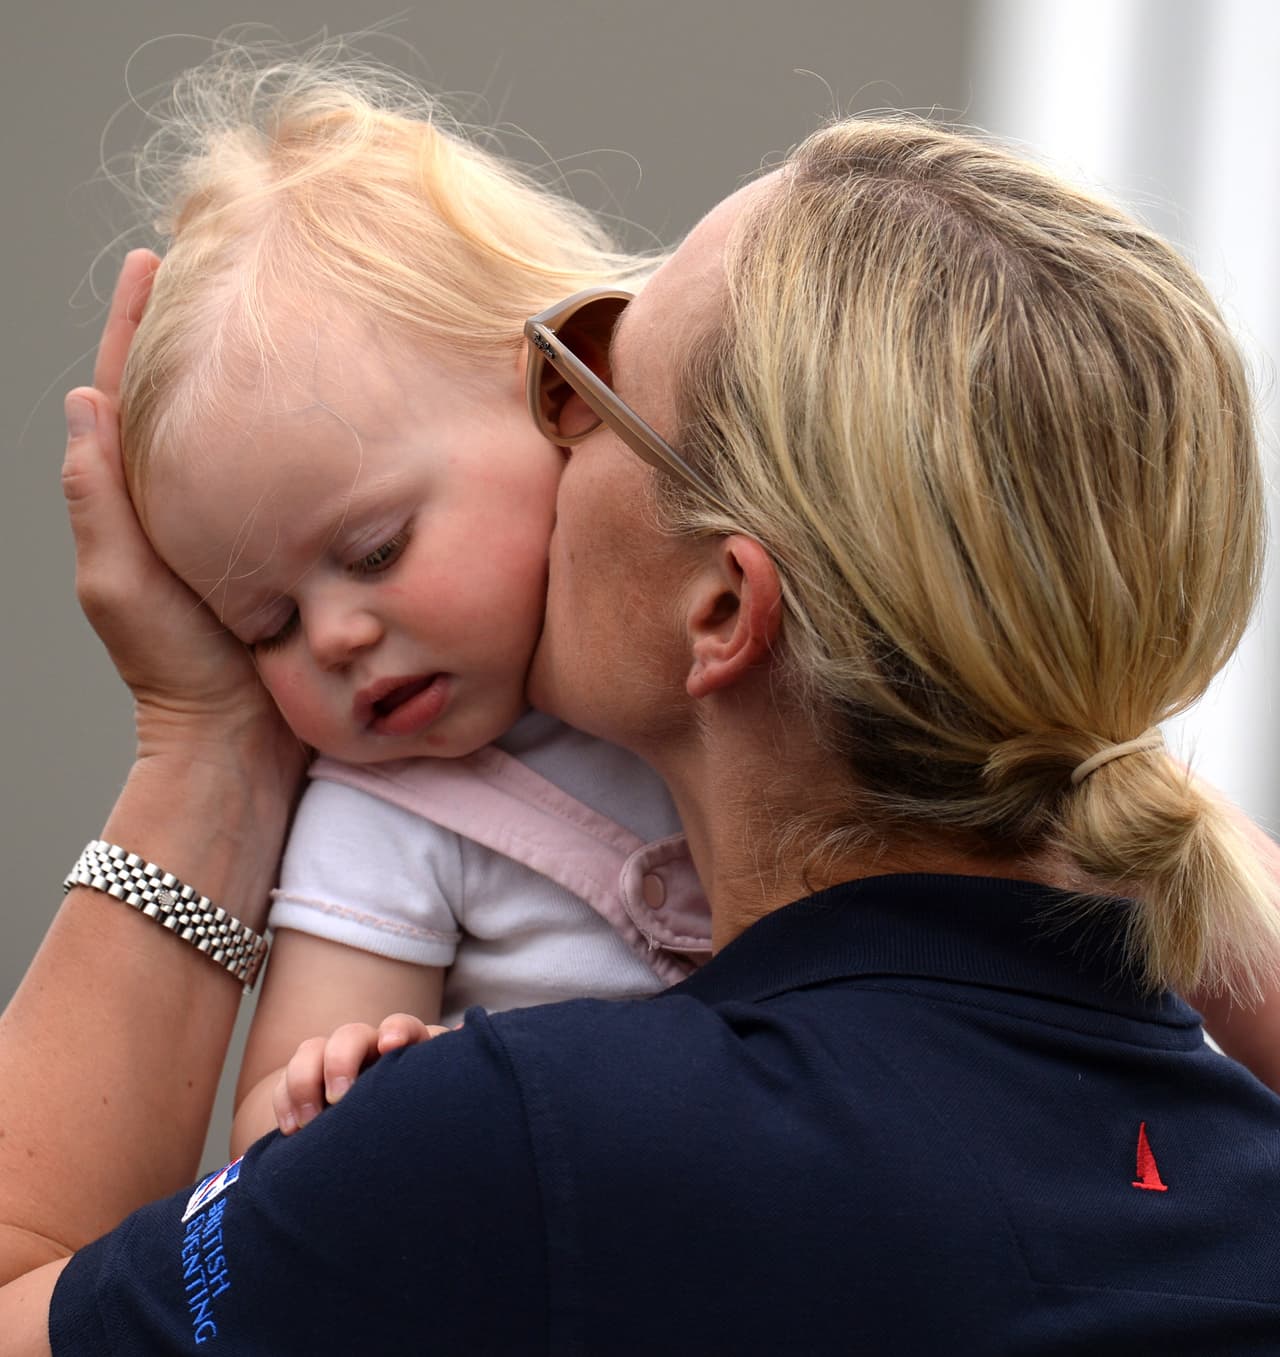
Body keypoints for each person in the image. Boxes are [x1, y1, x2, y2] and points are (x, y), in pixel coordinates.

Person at [4, 113, 1280, 1352]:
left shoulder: (505, 1144)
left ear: (720, 606)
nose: (547, 419)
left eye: (589, 386)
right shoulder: (1230, 1170)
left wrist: (199, 746)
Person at [109, 52, 710, 1154]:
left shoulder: (734, 636)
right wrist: (360, 1089)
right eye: (267, 626)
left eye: (376, 549)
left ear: (561, 389)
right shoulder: (391, 812)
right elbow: (266, 1145)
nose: (334, 635)